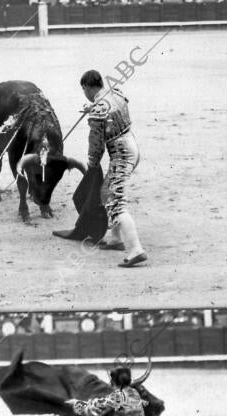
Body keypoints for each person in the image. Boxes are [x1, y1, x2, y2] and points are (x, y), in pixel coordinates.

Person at [79, 70, 146, 268]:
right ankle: (116, 238)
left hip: (121, 154)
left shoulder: (98, 109)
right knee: (107, 192)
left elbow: (96, 145)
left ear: (87, 87)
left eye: (83, 90)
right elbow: (111, 112)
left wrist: (92, 164)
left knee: (116, 201)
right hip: (132, 146)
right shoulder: (114, 92)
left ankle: (135, 249)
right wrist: (91, 110)